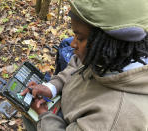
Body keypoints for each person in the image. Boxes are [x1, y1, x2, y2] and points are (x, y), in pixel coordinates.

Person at [21, 0, 148, 130]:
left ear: (106, 44)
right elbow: (78, 64)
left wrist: (44, 115)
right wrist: (53, 87)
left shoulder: (112, 121)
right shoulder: (108, 57)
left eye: (79, 38)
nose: (72, 44)